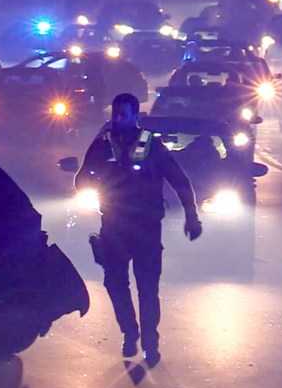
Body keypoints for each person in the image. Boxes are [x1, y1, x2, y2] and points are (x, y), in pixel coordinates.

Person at [75, 93, 202, 366]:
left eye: (123, 114)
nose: (118, 119)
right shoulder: (102, 145)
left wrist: (192, 216)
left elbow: (179, 180)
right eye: (115, 114)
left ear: (135, 116)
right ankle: (130, 331)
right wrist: (93, 179)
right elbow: (81, 180)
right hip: (114, 227)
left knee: (147, 289)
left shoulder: (151, 145)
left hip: (146, 229)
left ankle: (150, 343)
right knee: (114, 283)